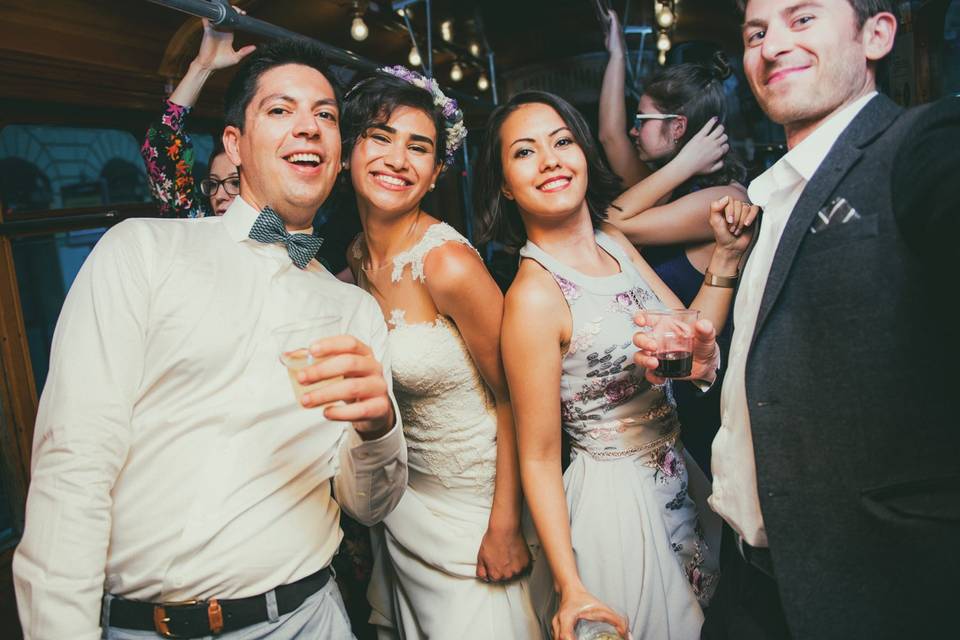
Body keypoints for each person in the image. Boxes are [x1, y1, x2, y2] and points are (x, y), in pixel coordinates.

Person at [13, 39, 408, 640]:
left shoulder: (356, 312)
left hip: (308, 620)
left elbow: (366, 505)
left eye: (325, 115)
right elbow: (75, 462)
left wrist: (380, 430)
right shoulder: (143, 252)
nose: (308, 127)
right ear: (234, 146)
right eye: (280, 110)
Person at [635, 1, 959, 637]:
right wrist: (715, 363)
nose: (774, 44)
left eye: (803, 18)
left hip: (877, 584)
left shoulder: (917, 147)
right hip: (753, 577)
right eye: (758, 31)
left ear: (876, 34)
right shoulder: (763, 195)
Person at [474, 90, 756, 640]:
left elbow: (691, 331)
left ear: (583, 152)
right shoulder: (534, 296)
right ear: (506, 185)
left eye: (561, 142)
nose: (551, 159)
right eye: (525, 152)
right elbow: (537, 456)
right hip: (615, 505)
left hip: (677, 474)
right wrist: (571, 583)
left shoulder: (615, 242)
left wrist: (725, 256)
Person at [342, 67, 538, 639]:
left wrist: (505, 525)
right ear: (350, 153)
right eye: (381, 137)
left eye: (419, 147)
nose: (398, 159)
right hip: (405, 507)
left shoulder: (448, 264)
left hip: (478, 512)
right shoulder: (355, 260)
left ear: (433, 174)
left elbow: (520, 398)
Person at [599, 10, 749, 469]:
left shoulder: (720, 198)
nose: (632, 128)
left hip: (700, 391)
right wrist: (616, 53)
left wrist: (683, 166)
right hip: (662, 382)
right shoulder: (665, 185)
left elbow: (610, 225)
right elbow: (608, 133)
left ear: (678, 127)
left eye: (642, 118)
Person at [141, 15, 255, 218]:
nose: (220, 196)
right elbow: (160, 143)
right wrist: (203, 67)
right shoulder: (201, 224)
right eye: (213, 184)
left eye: (234, 183)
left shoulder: (286, 233)